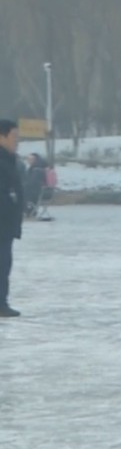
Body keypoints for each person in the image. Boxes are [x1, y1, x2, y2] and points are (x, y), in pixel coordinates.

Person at [0, 119, 22, 318]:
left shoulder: (9, 159)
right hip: (2, 222)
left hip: (6, 225)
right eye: (14, 136)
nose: (17, 141)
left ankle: (2, 302)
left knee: (4, 263)